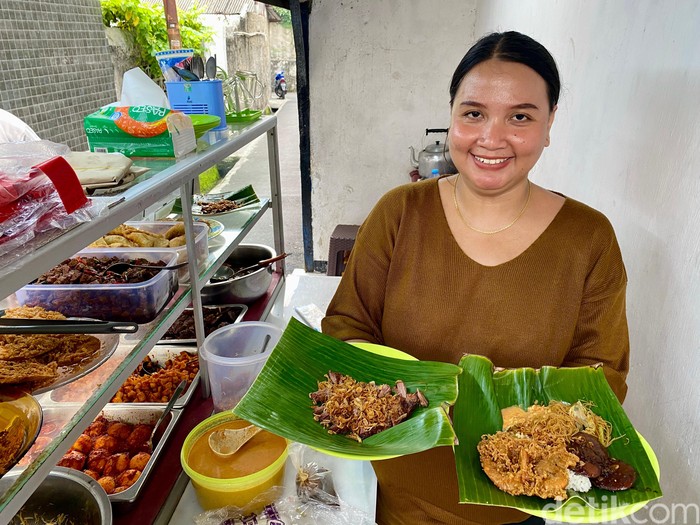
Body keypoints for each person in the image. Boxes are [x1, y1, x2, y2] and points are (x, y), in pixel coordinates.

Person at [322, 31, 630, 525]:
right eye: (473, 113)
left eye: (521, 117)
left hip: (518, 500)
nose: (491, 137)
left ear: (549, 124)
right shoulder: (399, 213)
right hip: (398, 488)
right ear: (450, 117)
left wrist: (519, 434)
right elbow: (346, 326)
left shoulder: (588, 238)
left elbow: (603, 373)